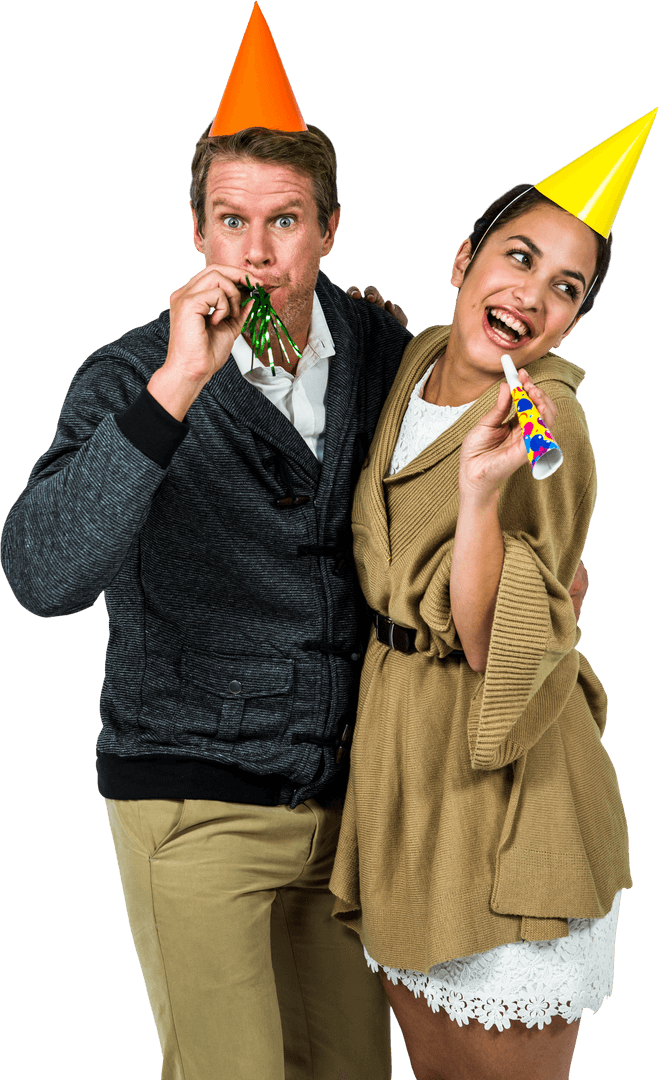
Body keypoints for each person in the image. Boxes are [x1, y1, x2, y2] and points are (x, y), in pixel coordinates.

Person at [328, 110, 654, 1080]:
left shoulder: (543, 420)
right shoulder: (414, 359)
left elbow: (493, 640)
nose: (532, 295)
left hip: (503, 782)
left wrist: (478, 495)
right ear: (463, 256)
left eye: (566, 288)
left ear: (572, 321)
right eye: (517, 257)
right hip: (400, 766)